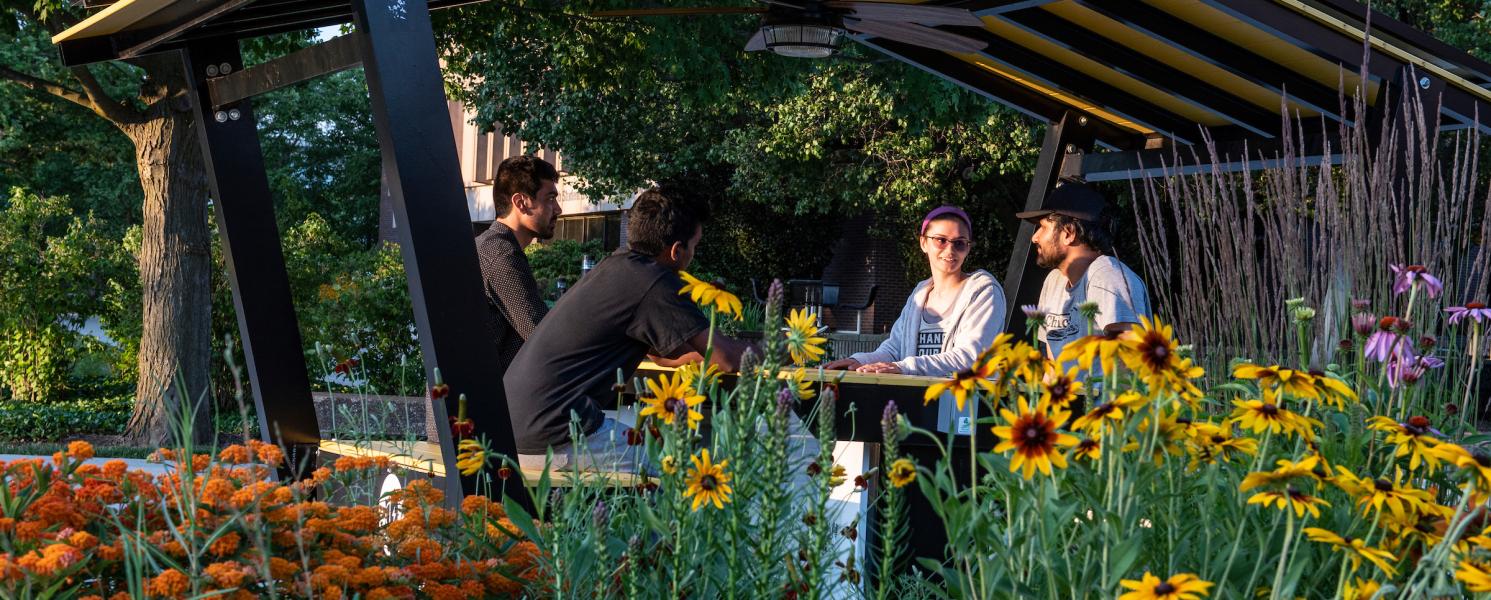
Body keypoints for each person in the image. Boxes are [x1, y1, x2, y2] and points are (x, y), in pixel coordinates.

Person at [503, 186, 754, 471]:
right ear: (676, 250)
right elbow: (730, 359)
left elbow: (662, 355)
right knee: (673, 471)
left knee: (652, 444)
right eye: (694, 246)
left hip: (514, 428)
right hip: (555, 433)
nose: (693, 255)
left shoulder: (617, 266)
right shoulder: (656, 281)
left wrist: (702, 352)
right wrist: (778, 349)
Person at [824, 206, 1007, 376]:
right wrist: (857, 361)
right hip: (920, 402)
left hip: (964, 406)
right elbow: (894, 349)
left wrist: (904, 367)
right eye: (940, 240)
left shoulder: (984, 292)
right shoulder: (919, 295)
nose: (950, 249)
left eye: (959, 243)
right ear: (923, 243)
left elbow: (970, 357)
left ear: (968, 248)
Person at [1016, 180, 1150, 374]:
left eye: (1043, 227)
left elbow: (1130, 361)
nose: (1035, 237)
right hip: (1068, 400)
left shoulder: (1108, 277)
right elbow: (1053, 368)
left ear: (1069, 233)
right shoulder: (1054, 282)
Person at [476, 155, 562, 375]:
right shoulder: (501, 256)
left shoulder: (489, 247)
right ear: (521, 203)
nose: (559, 209)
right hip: (477, 405)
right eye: (550, 198)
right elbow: (543, 338)